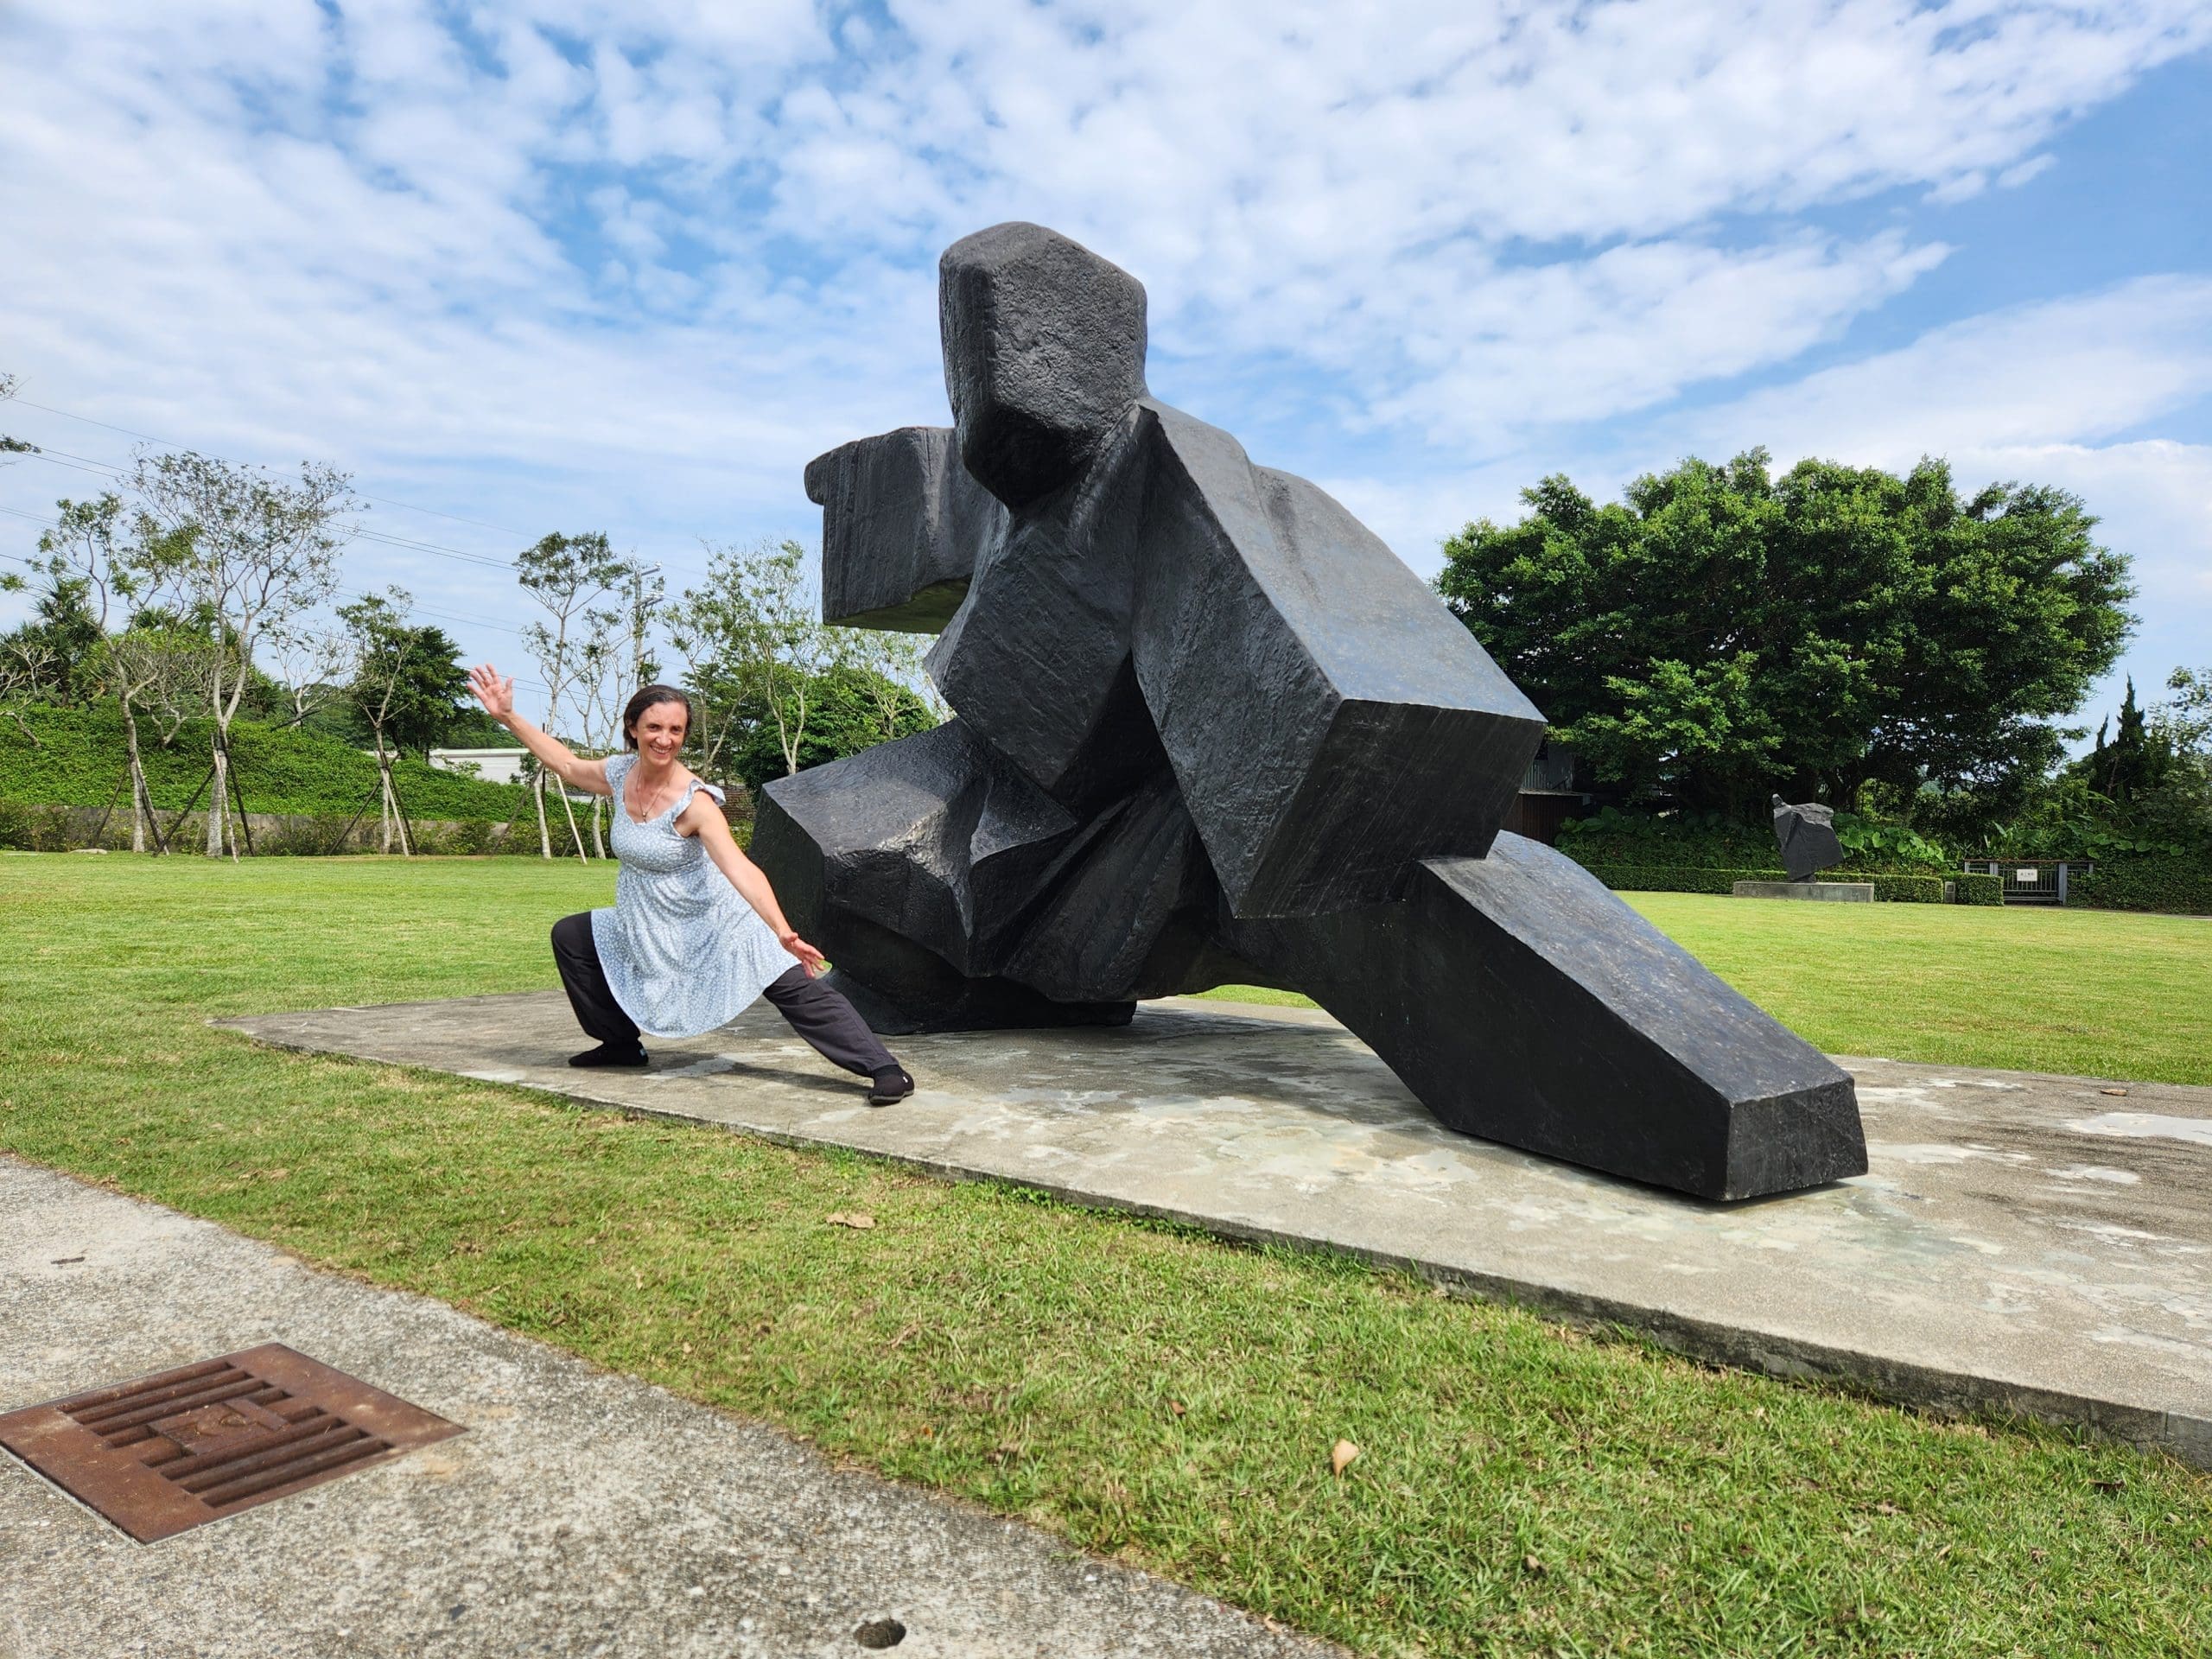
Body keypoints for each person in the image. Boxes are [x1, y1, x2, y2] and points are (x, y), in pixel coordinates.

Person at [467, 664, 914, 1104]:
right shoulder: (620, 774)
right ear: (633, 728)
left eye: (676, 730)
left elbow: (741, 867)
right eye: (655, 727)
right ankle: (620, 1044)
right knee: (573, 936)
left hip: (715, 919)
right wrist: (508, 716)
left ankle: (884, 1068)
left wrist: (781, 930)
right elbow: (565, 762)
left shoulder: (695, 803)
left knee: (795, 988)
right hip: (649, 919)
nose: (665, 738)